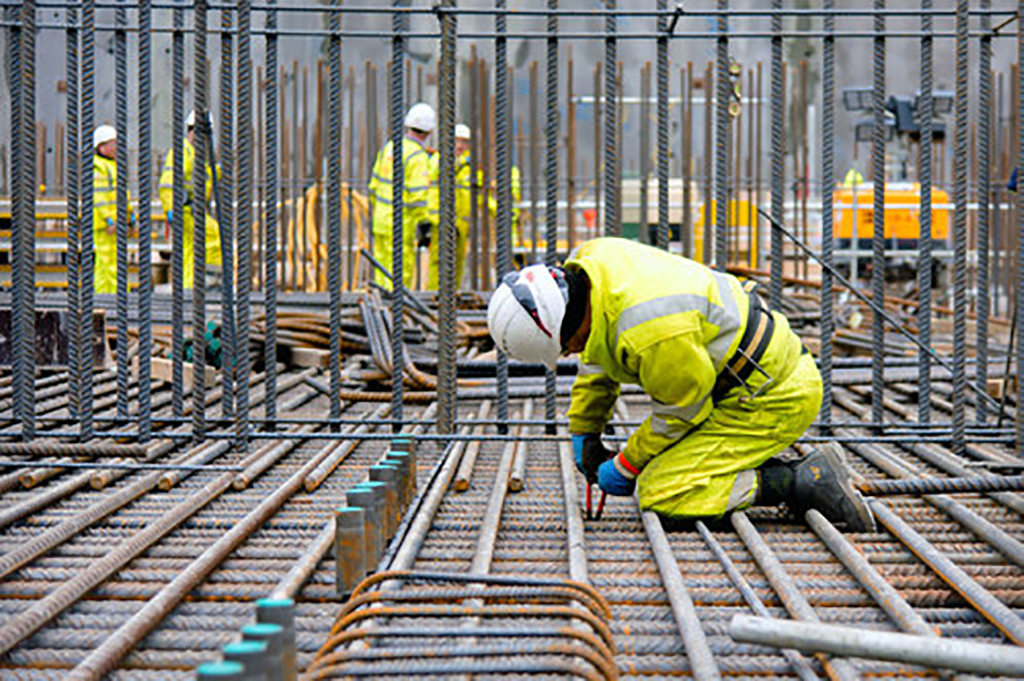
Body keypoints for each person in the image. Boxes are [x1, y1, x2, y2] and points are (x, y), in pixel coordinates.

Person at [487, 237, 875, 530]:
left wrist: (626, 464)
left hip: (771, 397)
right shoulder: (592, 264)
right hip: (741, 380)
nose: (570, 355)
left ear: (566, 325)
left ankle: (801, 480)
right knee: (668, 465)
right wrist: (584, 429)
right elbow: (598, 351)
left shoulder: (650, 329)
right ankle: (745, 466)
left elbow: (681, 412)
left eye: (565, 347)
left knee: (664, 491)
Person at [368, 103, 435, 289]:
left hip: (380, 220)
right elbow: (418, 198)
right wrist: (423, 225)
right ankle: (392, 313)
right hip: (400, 224)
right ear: (429, 131)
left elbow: (373, 186)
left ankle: (379, 305)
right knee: (398, 272)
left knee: (381, 268)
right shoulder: (417, 157)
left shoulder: (390, 147)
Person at [158, 110, 223, 289]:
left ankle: (189, 288)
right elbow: (166, 183)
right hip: (186, 210)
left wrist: (216, 169)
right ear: (192, 131)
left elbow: (205, 179)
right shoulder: (182, 152)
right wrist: (170, 207)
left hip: (193, 210)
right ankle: (211, 281)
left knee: (190, 251)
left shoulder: (197, 154)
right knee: (213, 236)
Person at [426, 123, 473, 290]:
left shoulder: (468, 166)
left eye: (464, 142)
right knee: (439, 260)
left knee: (458, 262)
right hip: (442, 220)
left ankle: (454, 295)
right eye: (457, 141)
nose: (460, 145)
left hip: (461, 222)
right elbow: (445, 172)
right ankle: (433, 295)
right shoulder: (439, 160)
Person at [91, 125, 131, 294]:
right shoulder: (99, 167)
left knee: (109, 265)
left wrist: (130, 217)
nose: (115, 147)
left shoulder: (111, 166)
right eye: (112, 144)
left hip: (114, 223)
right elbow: (100, 199)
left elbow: (121, 196)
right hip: (105, 227)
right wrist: (110, 220)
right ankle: (116, 298)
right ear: (101, 146)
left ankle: (107, 300)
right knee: (109, 266)